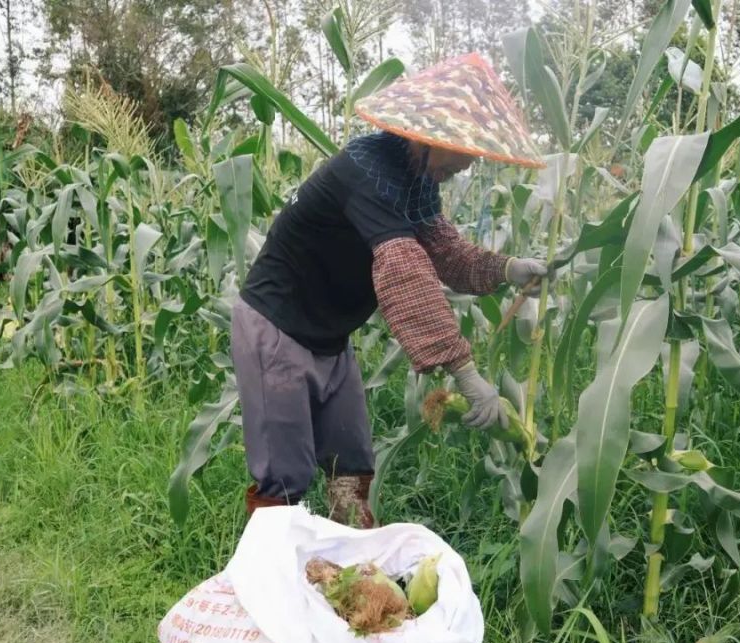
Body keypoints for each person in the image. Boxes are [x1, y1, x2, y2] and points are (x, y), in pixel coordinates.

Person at [231, 53, 548, 527]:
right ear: (425, 134)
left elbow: (444, 249)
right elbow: (405, 271)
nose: (466, 162)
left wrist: (507, 268)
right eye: (460, 147)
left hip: (330, 337)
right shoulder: (366, 170)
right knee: (284, 477)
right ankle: (272, 581)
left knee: (351, 463)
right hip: (277, 329)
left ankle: (349, 575)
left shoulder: (416, 177)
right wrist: (465, 374)